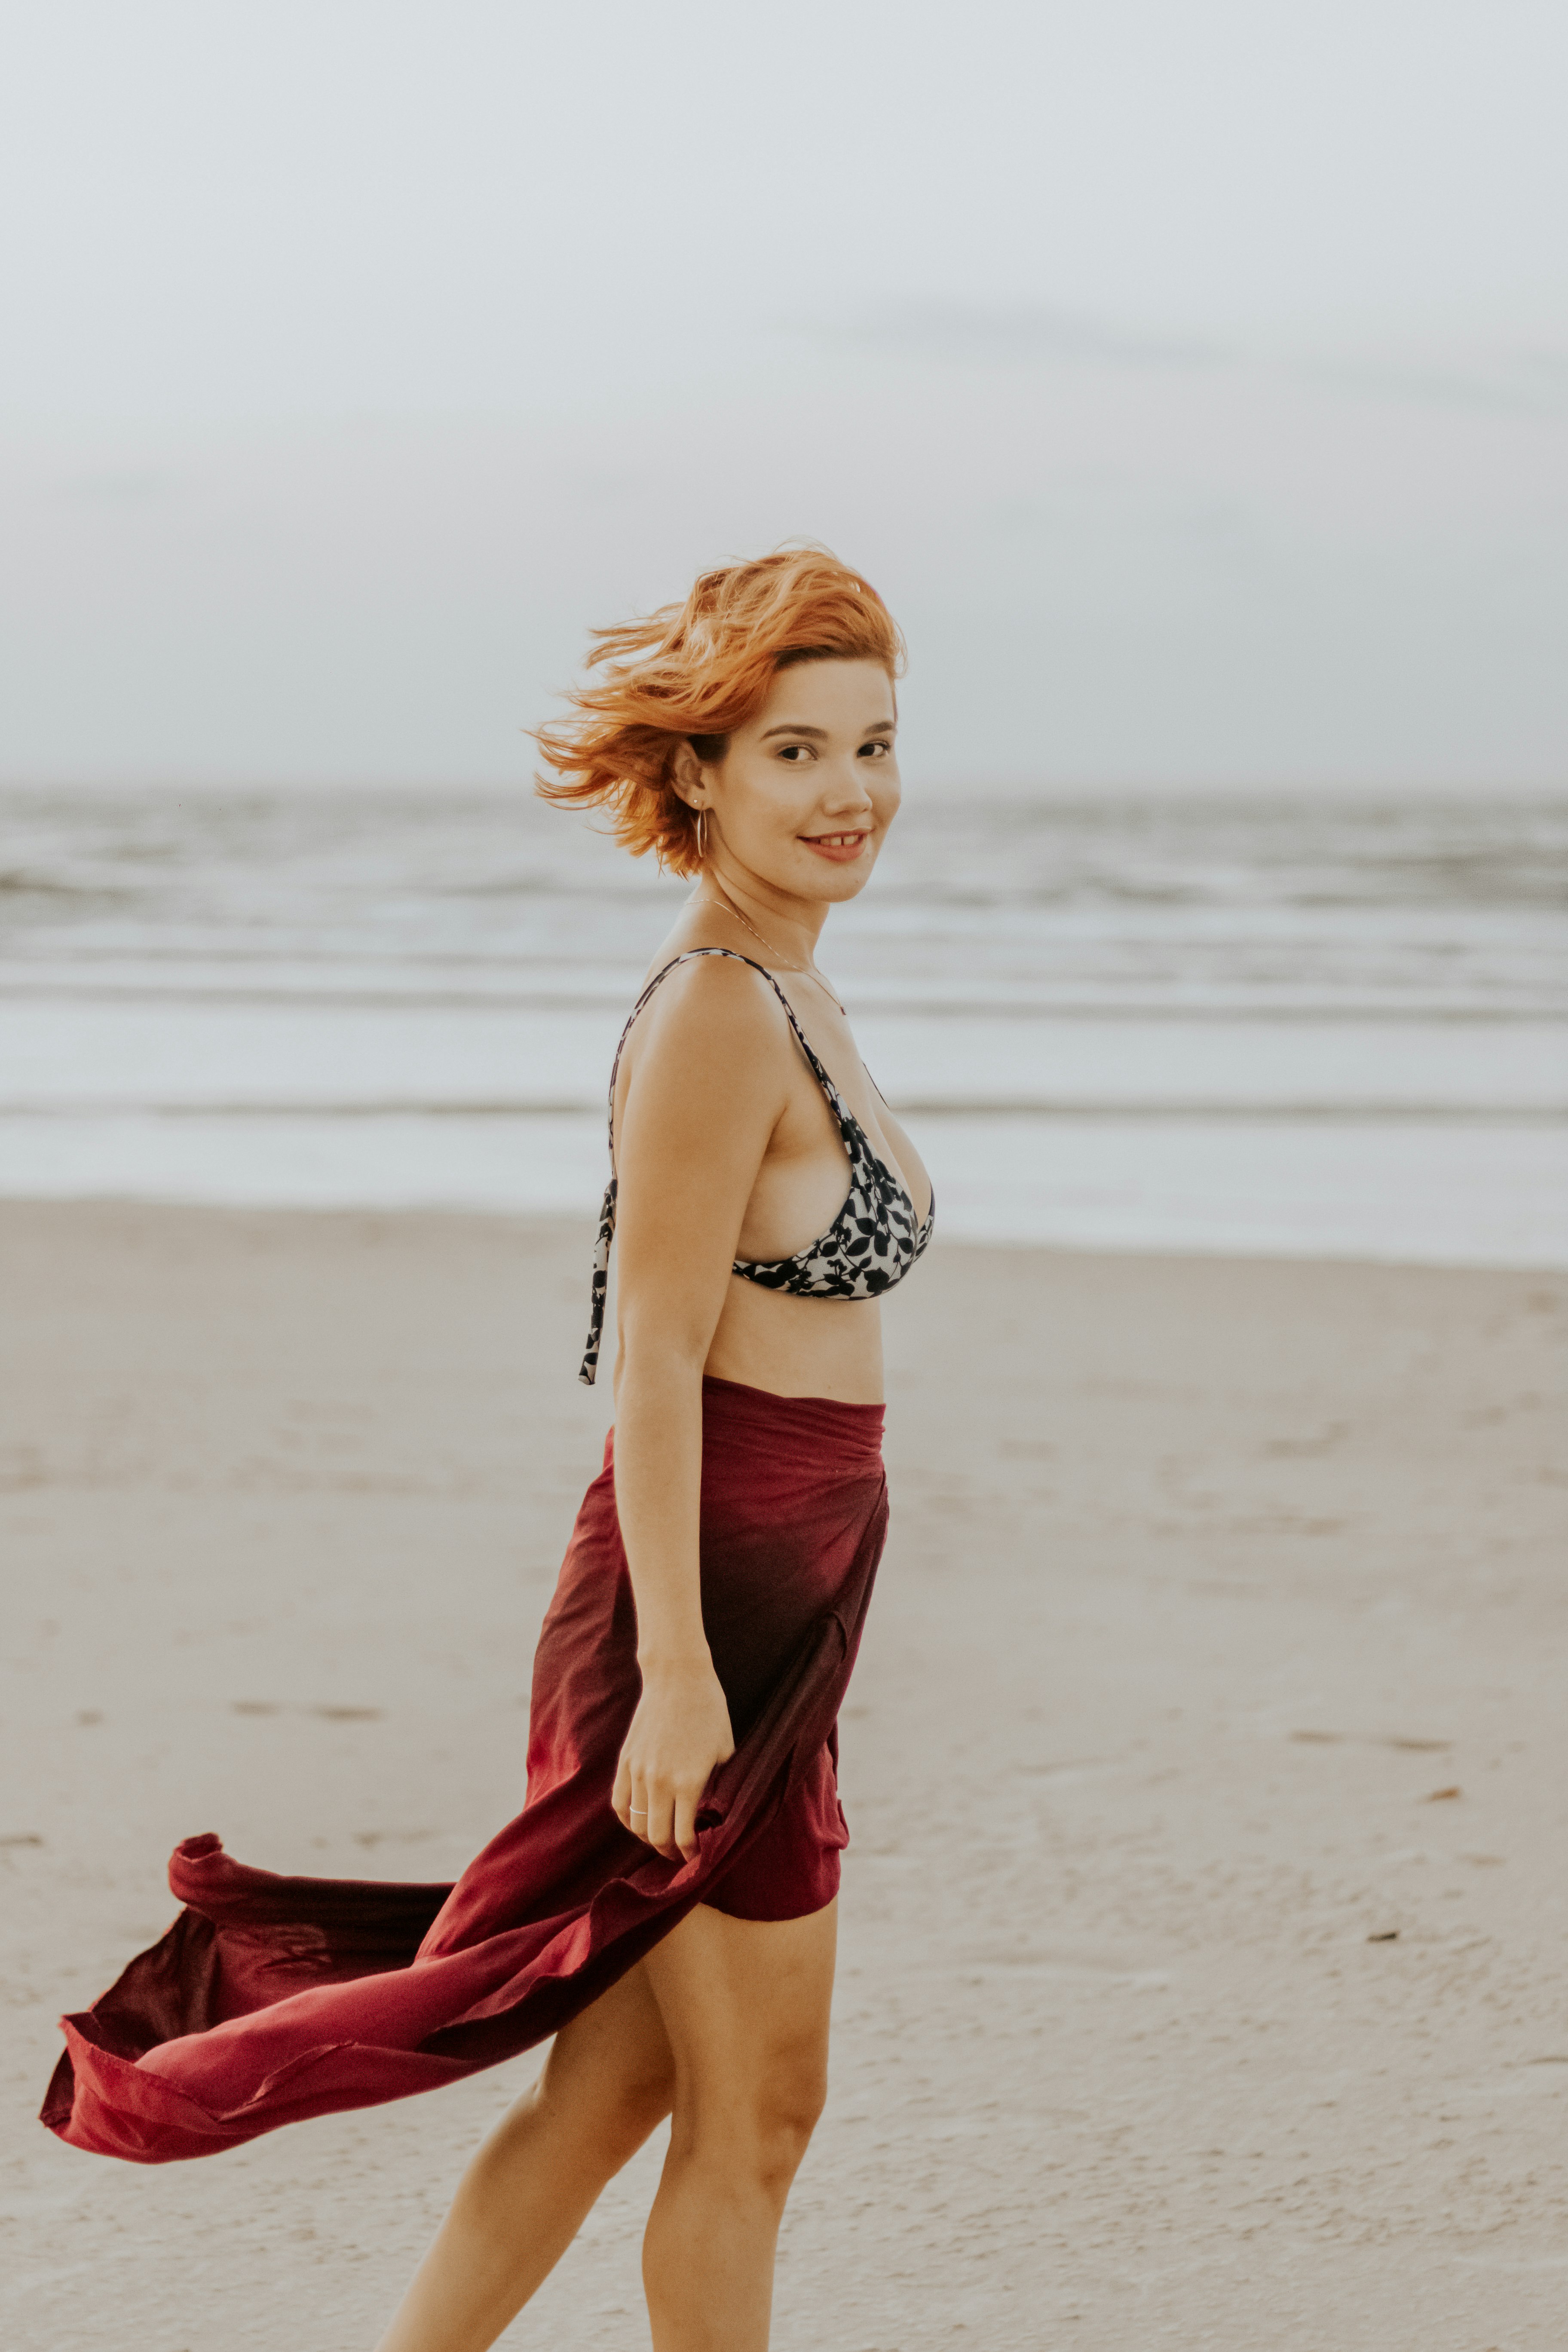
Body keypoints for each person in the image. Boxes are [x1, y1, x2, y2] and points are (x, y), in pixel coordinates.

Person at [42, 547, 932, 2352]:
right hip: (704, 1618)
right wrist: (678, 1675)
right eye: (796, 754)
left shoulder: (789, 986)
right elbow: (660, 1365)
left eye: (875, 746)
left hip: (777, 1601)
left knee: (617, 2092)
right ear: (699, 773)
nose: (850, 794)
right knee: (757, 2116)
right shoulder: (715, 1014)